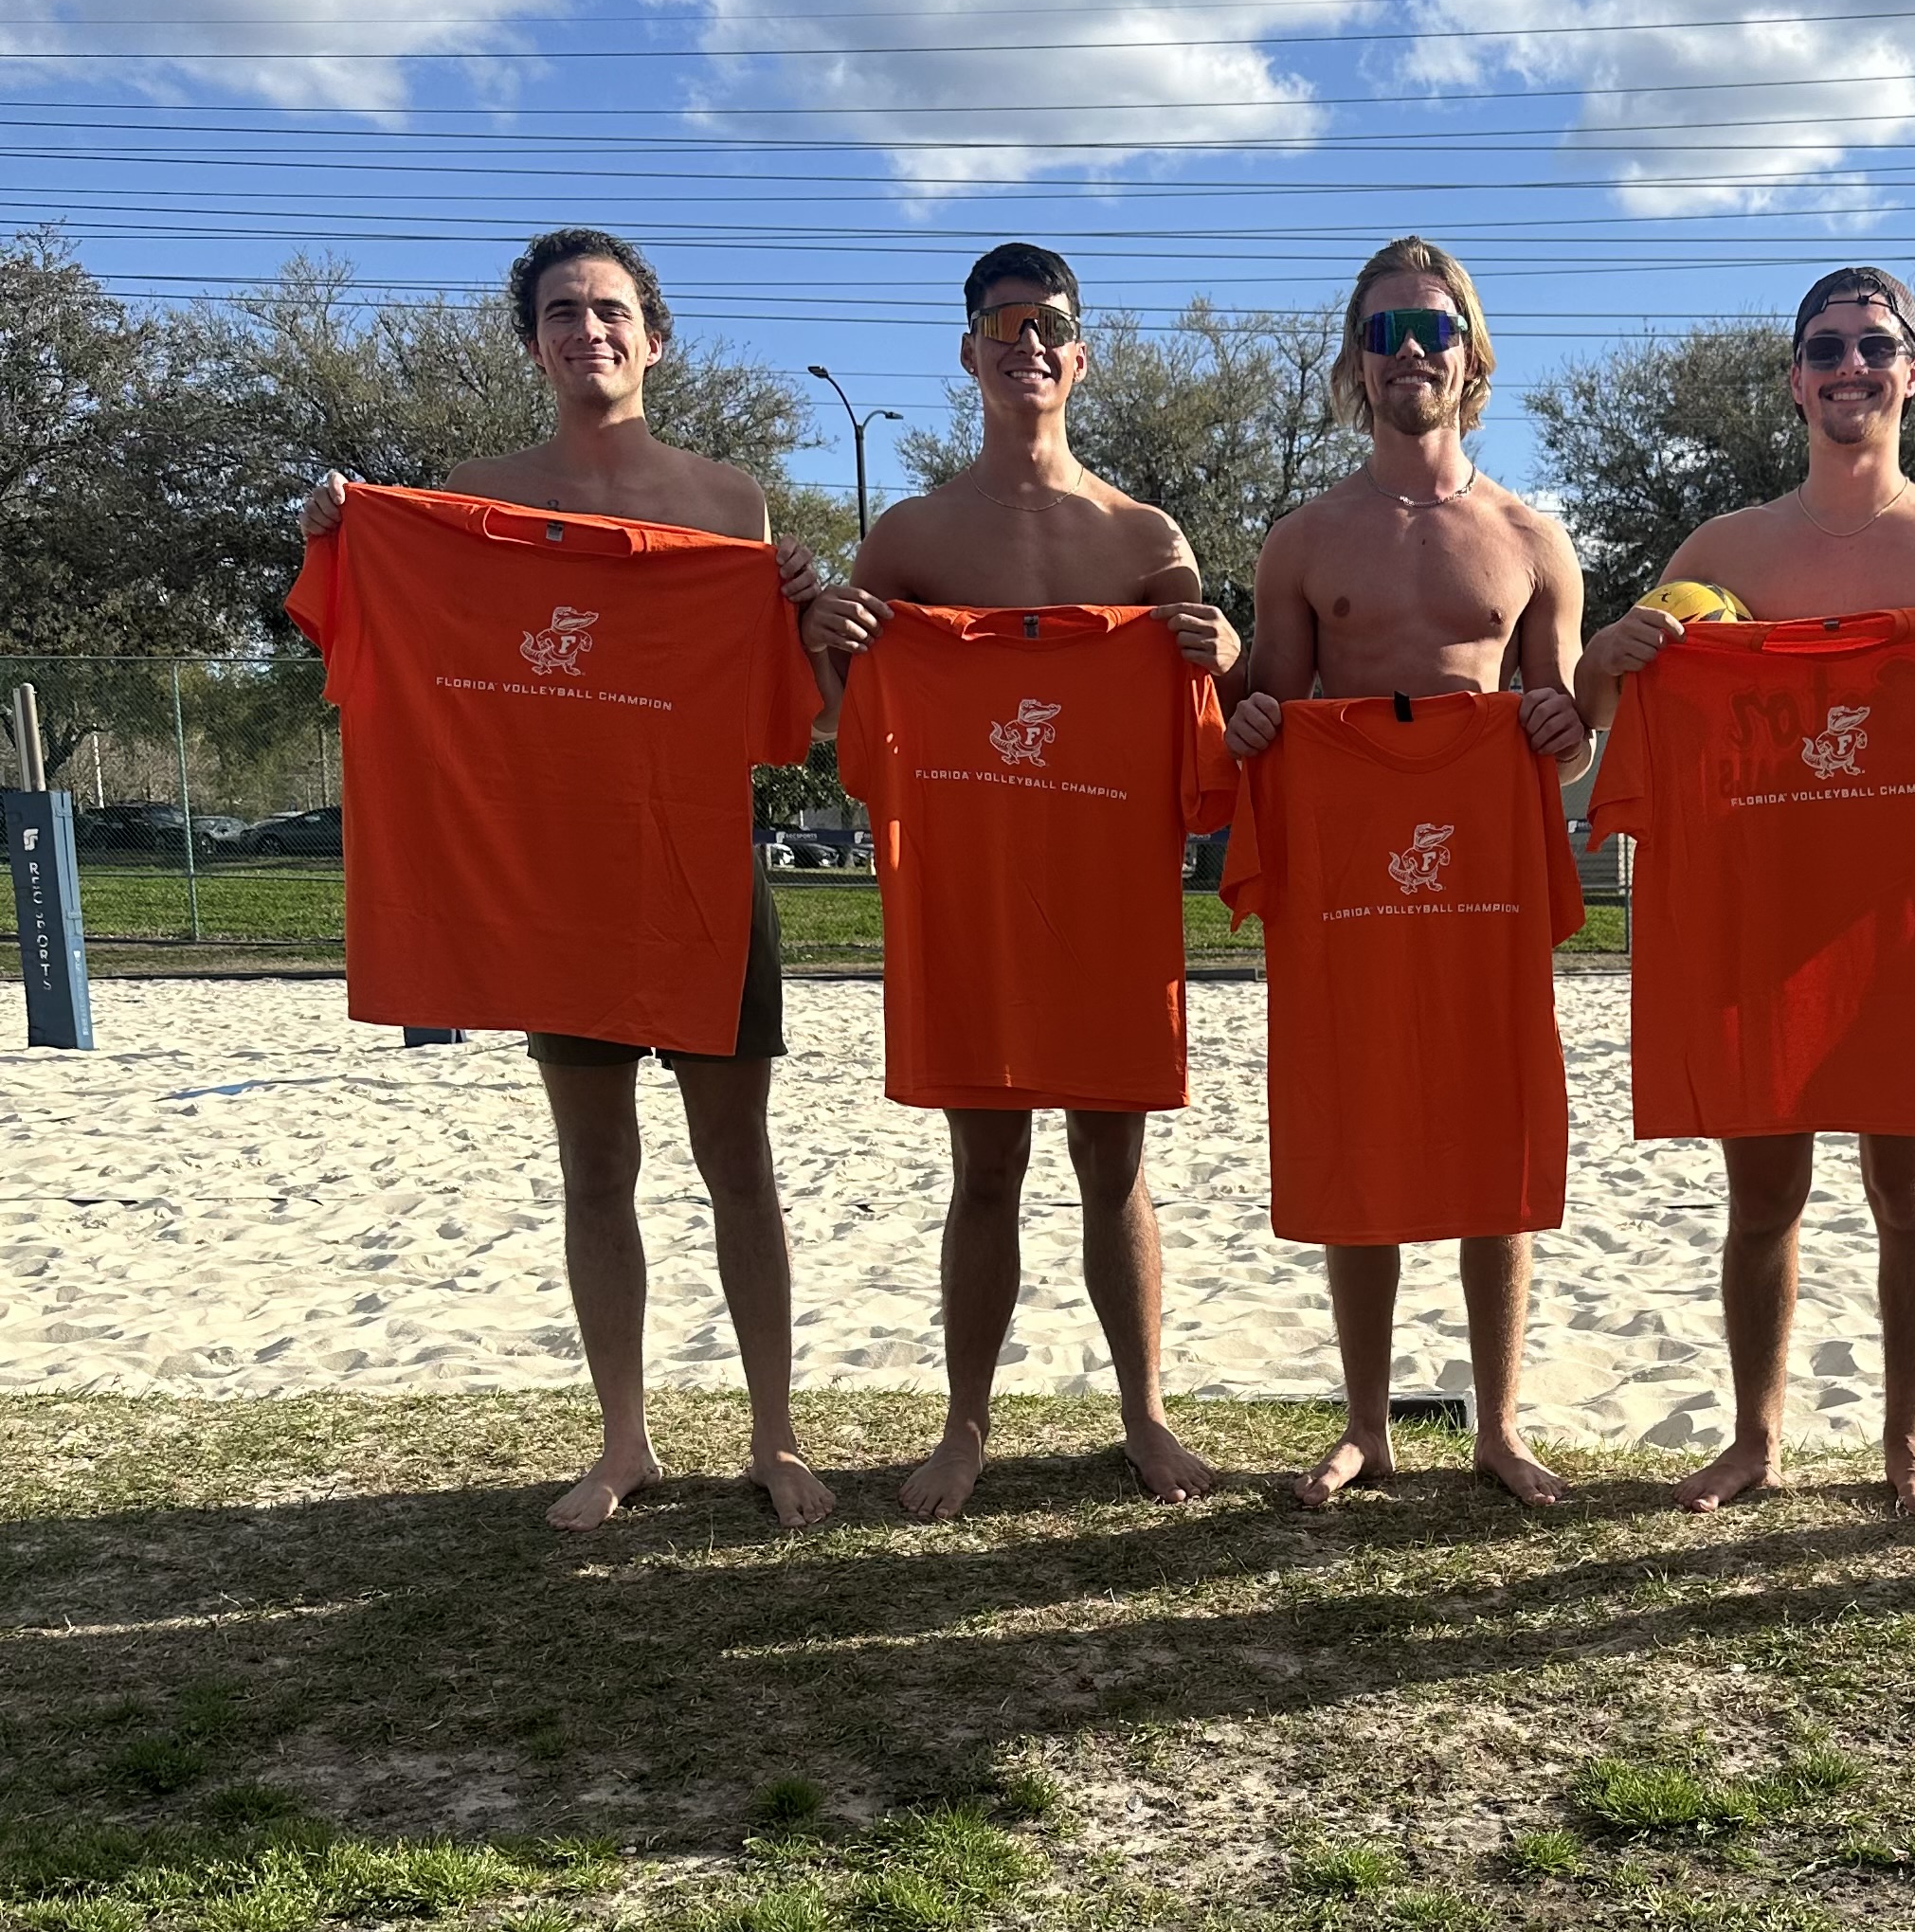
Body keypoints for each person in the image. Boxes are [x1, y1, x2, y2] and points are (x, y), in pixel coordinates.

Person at [300, 228, 838, 1532]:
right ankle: (624, 1442)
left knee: (739, 1165)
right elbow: (372, 632)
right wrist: (341, 530)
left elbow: (790, 726)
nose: (586, 329)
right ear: (531, 340)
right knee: (595, 1168)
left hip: (702, 877)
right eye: (560, 311)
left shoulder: (729, 506)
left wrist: (808, 609)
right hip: (556, 886)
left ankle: (775, 1436)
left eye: (609, 309)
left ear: (654, 336)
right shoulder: (472, 498)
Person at [1571, 266, 1915, 1517]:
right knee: (1764, 1200)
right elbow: (1598, 718)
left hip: (1905, 926)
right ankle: (1756, 1438)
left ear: (1912, 371)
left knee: (1908, 1193)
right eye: (1825, 350)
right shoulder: (1726, 552)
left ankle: (1910, 1444)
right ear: (1796, 379)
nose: (1849, 368)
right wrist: (1606, 657)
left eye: (1874, 346)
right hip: (1762, 921)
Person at [797, 243, 1240, 1516]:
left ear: (1079, 354)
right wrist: (833, 639)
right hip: (971, 899)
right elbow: (846, 726)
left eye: (1047, 323)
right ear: (969, 353)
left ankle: (1145, 1414)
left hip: (1108, 902)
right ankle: (965, 1425)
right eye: (1000, 322)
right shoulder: (916, 536)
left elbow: (1205, 704)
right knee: (982, 1168)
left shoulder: (1146, 538)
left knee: (1116, 1165)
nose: (1025, 341)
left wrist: (1224, 644)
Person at [1223, 235, 1590, 1508]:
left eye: (1430, 330)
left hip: (1479, 877)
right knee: (1357, 1131)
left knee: (1492, 1135)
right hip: (1349, 881)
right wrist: (1252, 719)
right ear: (1353, 365)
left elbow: (1568, 715)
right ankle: (1367, 1421)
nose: (1408, 354)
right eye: (1382, 334)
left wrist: (1564, 725)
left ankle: (1498, 1424)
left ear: (1473, 355)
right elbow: (1269, 709)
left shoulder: (1534, 540)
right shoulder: (1303, 541)